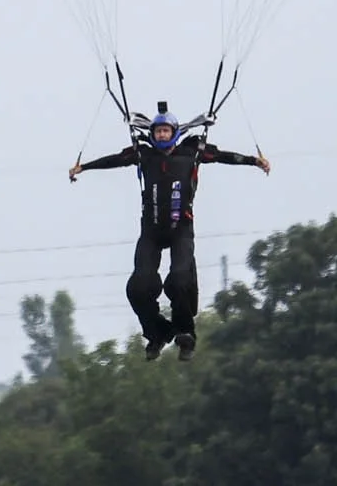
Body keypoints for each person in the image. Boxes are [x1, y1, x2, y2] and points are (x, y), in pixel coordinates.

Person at [71, 104, 269, 358]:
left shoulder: (192, 152)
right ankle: (157, 333)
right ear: (152, 134)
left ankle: (185, 335)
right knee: (138, 288)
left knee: (178, 281)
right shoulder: (144, 155)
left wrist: (254, 161)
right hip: (151, 232)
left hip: (181, 230)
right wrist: (84, 167)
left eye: (166, 131)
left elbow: (224, 157)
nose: (162, 136)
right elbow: (115, 160)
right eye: (158, 132)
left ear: (174, 132)